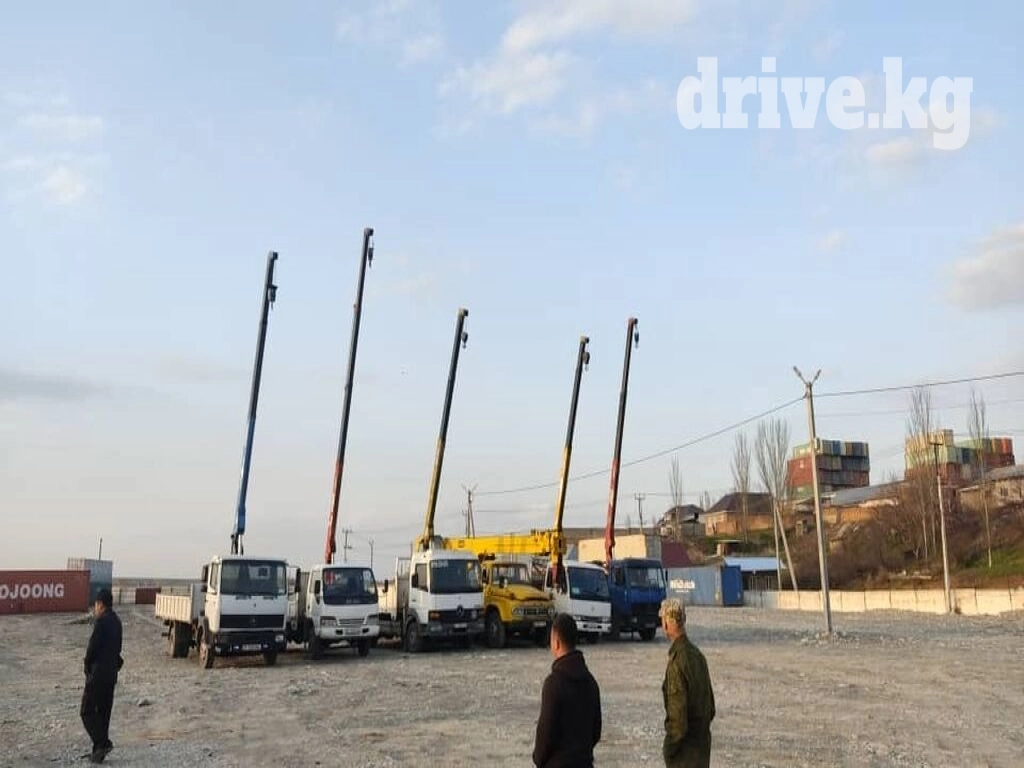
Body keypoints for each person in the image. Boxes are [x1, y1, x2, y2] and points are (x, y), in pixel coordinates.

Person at [532, 613, 602, 768]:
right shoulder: (590, 682)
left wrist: (538, 759)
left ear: (556, 643)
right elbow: (596, 731)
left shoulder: (553, 684)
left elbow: (545, 734)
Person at [660, 597, 715, 768]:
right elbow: (710, 708)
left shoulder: (677, 662)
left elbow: (678, 722)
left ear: (667, 623)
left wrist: (669, 750)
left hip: (685, 756)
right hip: (701, 752)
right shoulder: (698, 656)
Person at [81, 588, 123, 764]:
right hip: (111, 675)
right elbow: (117, 649)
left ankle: (103, 743)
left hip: (98, 674)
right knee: (103, 713)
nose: (95, 609)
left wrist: (86, 665)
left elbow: (92, 648)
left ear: (100, 604)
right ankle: (98, 752)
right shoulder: (117, 621)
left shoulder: (101, 622)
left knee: (87, 711)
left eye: (96, 605)